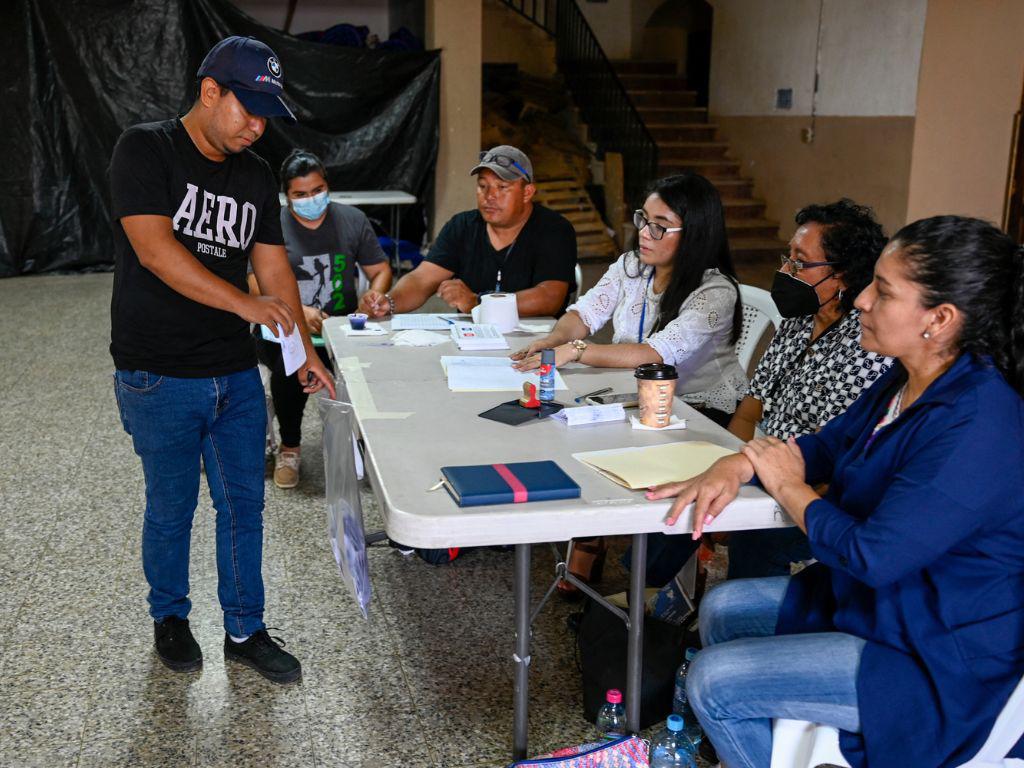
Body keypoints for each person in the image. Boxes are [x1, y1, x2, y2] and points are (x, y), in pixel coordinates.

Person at [649, 216, 1024, 768]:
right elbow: (826, 445)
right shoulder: (909, 378)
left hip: (941, 654)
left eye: (884, 292)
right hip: (889, 605)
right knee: (724, 608)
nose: (862, 300)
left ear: (940, 319)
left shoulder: (980, 424)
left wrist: (787, 485)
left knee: (714, 681)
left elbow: (872, 555)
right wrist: (739, 462)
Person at [109, 36, 335, 684]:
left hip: (234, 373)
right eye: (249, 110)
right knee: (171, 507)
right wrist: (245, 304)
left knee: (243, 507)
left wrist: (301, 351)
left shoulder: (256, 174)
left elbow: (274, 269)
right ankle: (170, 618)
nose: (258, 126)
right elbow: (155, 250)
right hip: (158, 372)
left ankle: (244, 630)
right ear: (210, 92)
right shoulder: (145, 149)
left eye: (268, 115)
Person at [512, 172, 747, 597]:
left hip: (699, 408)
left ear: (695, 233)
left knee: (616, 443)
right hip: (634, 394)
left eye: (660, 226)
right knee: (567, 427)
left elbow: (655, 353)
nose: (644, 233)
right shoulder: (631, 267)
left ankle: (645, 569)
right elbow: (583, 314)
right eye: (644, 219)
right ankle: (590, 535)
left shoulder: (714, 291)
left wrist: (577, 351)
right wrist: (554, 339)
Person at [644, 199, 893, 588]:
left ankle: (737, 615)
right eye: (787, 257)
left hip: (815, 492)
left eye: (799, 262)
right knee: (692, 483)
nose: (784, 271)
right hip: (763, 465)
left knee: (751, 533)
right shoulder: (799, 322)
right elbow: (749, 412)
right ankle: (645, 589)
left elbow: (833, 464)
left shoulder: (866, 346)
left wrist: (752, 499)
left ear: (842, 276)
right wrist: (729, 468)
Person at [249, 149, 391, 489]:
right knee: (289, 368)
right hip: (282, 328)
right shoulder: (271, 225)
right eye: (300, 194)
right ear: (287, 196)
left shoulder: (352, 220)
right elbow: (254, 282)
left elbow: (381, 270)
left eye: (317, 190)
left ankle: (364, 444)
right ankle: (290, 448)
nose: (311, 199)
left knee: (370, 369)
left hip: (341, 328)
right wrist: (299, 311)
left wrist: (373, 296)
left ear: (327, 186)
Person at [360, 145, 577, 318]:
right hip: (472, 340)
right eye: (483, 186)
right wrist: (389, 302)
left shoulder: (554, 229)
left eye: (502, 187)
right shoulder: (462, 226)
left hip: (538, 342)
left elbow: (549, 297)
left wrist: (478, 303)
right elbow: (422, 279)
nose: (490, 196)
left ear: (527, 192)